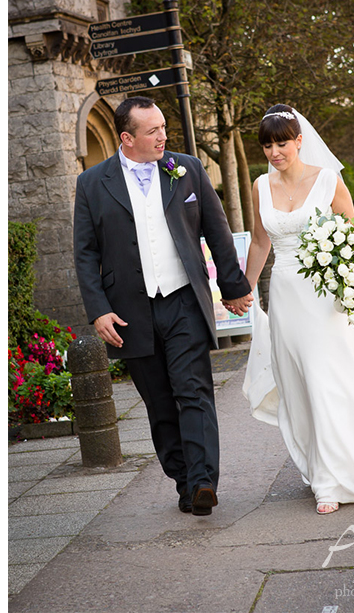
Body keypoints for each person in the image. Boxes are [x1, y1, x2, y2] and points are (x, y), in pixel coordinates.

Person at [73, 96, 253, 516]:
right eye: (152, 130)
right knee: (158, 402)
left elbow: (217, 228)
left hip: (183, 301)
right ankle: (184, 481)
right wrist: (98, 309)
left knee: (194, 392)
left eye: (164, 127)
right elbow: (84, 252)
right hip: (128, 312)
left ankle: (204, 481)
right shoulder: (92, 182)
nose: (162, 136)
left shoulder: (186, 168)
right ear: (126, 138)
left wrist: (232, 285)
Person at [240, 104, 354, 515]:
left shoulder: (328, 180)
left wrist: (341, 273)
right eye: (267, 145)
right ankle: (320, 466)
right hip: (285, 297)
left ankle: (332, 481)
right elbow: (261, 243)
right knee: (299, 385)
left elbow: (352, 235)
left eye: (282, 143)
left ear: (299, 141)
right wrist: (242, 289)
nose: (275, 152)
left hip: (326, 297)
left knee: (331, 380)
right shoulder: (261, 186)